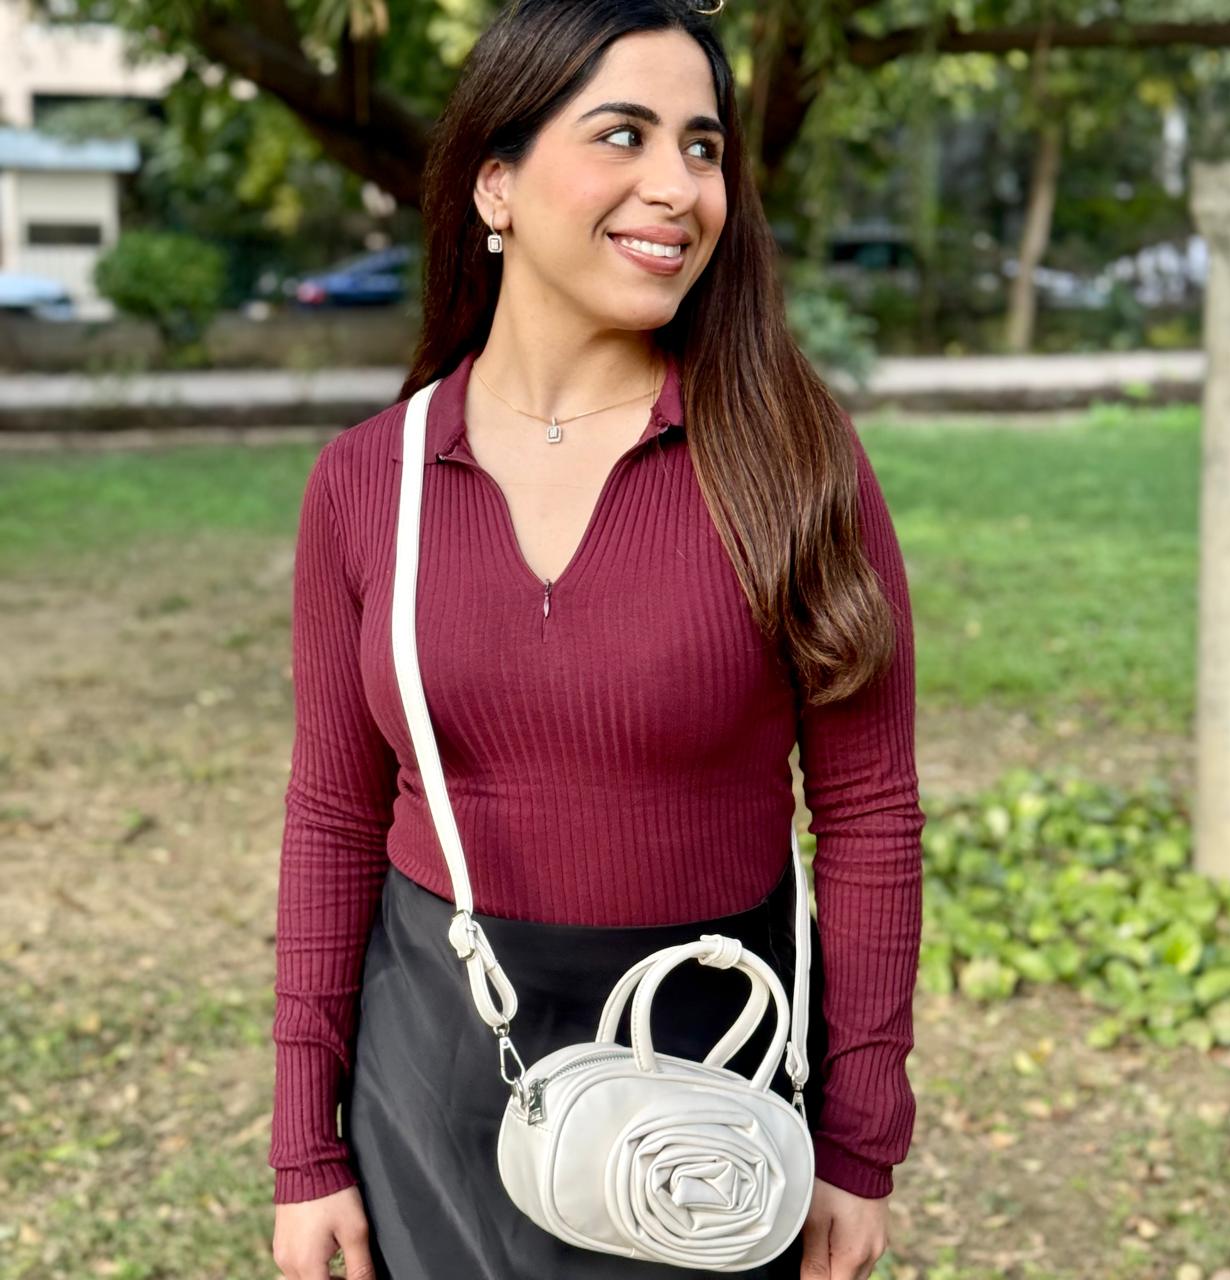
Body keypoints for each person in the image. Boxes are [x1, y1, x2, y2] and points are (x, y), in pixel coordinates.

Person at [269, 1, 925, 1277]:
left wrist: (858, 1141)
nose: (676, 185)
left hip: (714, 1058)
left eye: (701, 145)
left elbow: (868, 810)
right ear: (495, 185)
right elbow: (333, 816)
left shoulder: (791, 460)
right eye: (622, 134)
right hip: (437, 1067)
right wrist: (306, 1145)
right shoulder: (368, 480)